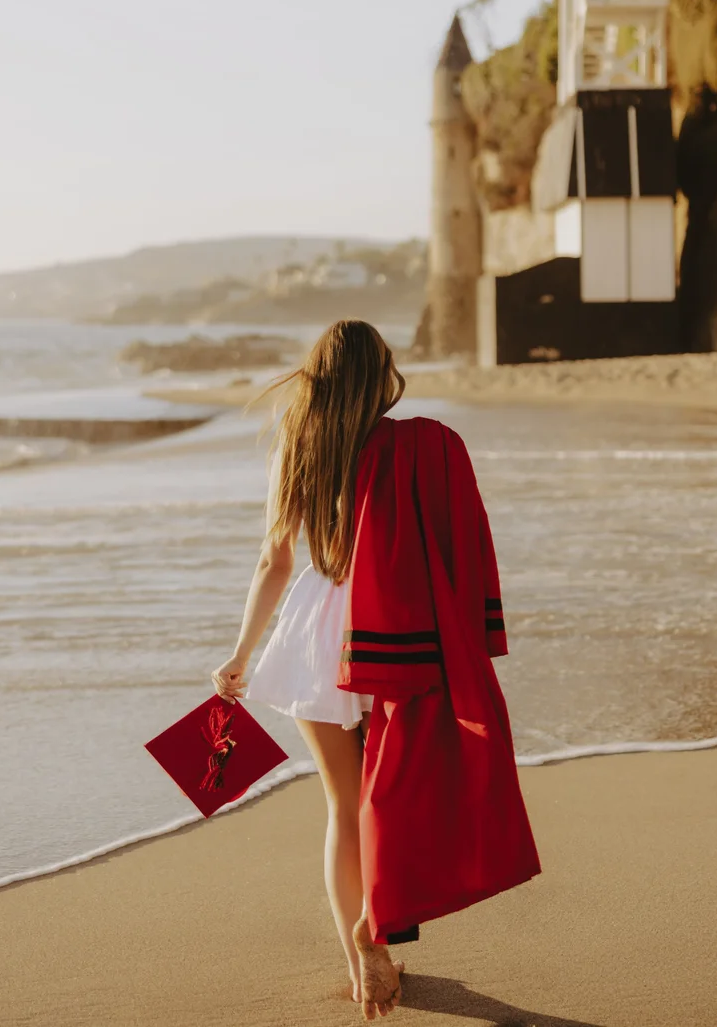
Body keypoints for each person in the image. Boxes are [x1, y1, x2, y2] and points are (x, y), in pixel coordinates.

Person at [212, 318, 538, 1020]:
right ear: (380, 372)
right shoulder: (425, 442)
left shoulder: (298, 444)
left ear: (318, 376)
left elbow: (275, 560)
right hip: (398, 631)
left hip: (315, 639)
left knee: (343, 806)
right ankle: (376, 923)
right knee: (390, 795)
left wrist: (241, 652)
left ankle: (364, 958)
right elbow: (460, 538)